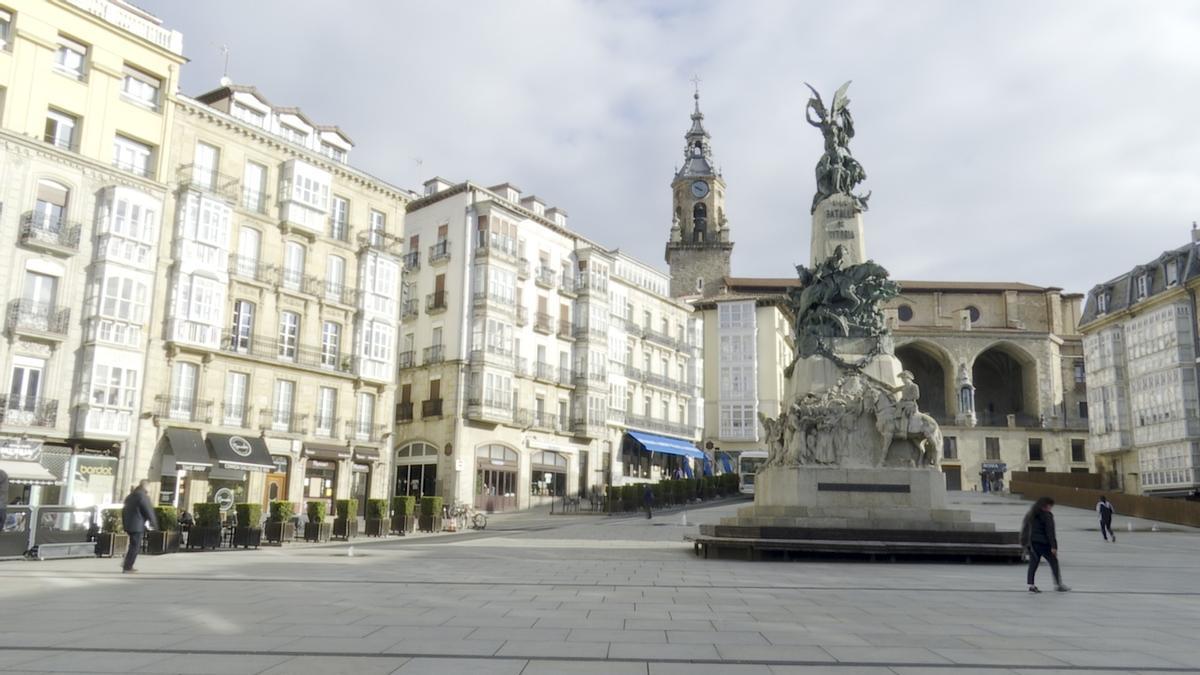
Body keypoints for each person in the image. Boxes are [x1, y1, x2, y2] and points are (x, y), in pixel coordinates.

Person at [1020, 497, 1069, 593]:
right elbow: (1050, 532)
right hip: (1044, 544)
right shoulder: (1047, 515)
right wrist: (1054, 546)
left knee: (1033, 564)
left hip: (1033, 543)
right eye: (1051, 506)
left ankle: (1031, 585)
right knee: (1054, 562)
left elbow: (1025, 528)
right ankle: (1058, 585)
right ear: (1046, 505)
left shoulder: (1031, 514)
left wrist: (1024, 543)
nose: (1051, 508)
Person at [121, 481, 157, 573]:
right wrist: (154, 524)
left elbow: (124, 510)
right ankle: (128, 566)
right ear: (146, 487)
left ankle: (127, 564)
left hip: (129, 524)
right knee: (135, 546)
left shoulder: (130, 496)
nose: (150, 490)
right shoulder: (143, 496)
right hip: (137, 525)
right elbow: (148, 511)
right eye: (150, 488)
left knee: (132, 545)